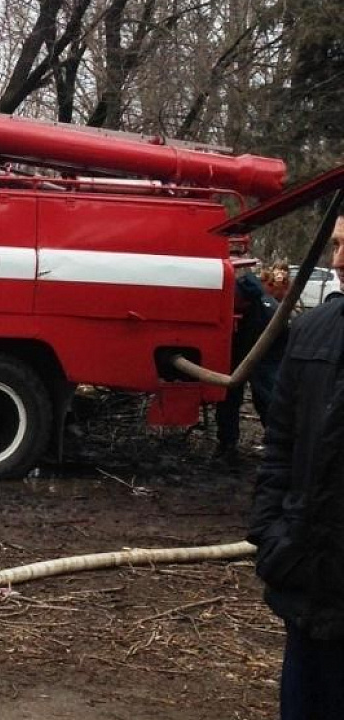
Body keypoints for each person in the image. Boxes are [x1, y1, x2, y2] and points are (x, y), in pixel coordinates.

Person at [248, 215, 344, 719]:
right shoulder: (311, 333)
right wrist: (272, 536)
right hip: (308, 587)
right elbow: (279, 446)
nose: (339, 260)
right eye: (336, 244)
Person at [214, 265, 283, 465]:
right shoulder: (242, 305)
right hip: (241, 354)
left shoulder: (267, 312)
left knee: (266, 397)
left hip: (266, 355)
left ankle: (279, 448)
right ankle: (227, 444)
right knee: (228, 397)